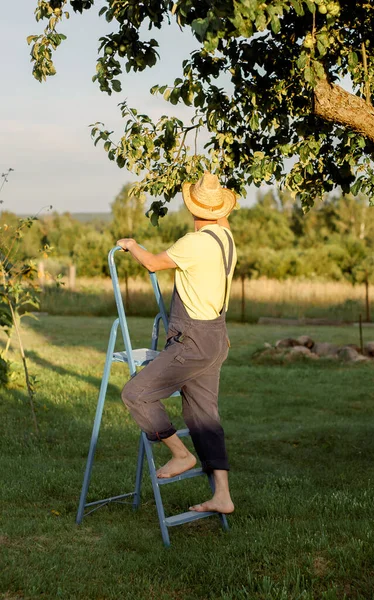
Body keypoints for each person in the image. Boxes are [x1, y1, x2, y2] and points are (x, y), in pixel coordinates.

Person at [117, 171, 237, 515]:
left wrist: (132, 245)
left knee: (135, 394)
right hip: (217, 337)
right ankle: (222, 495)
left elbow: (153, 264)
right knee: (204, 417)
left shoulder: (194, 242)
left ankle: (180, 454)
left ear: (193, 207)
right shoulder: (226, 239)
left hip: (192, 340)